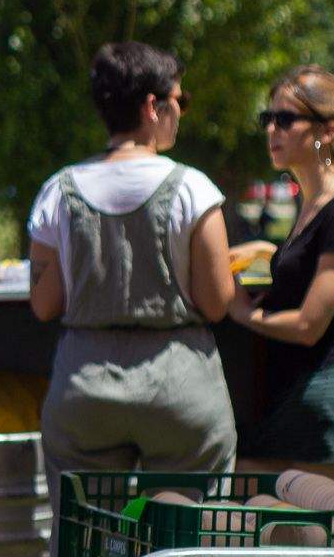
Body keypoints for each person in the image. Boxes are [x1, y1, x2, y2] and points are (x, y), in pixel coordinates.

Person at [27, 42, 239, 529]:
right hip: (179, 383)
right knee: (191, 530)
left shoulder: (58, 190)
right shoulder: (193, 188)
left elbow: (44, 304)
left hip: (86, 385)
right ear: (152, 105)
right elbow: (216, 301)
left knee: (87, 536)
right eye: (179, 102)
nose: (180, 115)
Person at [232, 66, 334, 488]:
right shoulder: (313, 203)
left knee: (324, 532)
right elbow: (311, 267)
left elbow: (308, 324)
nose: (272, 130)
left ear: (327, 132)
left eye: (286, 120)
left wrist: (240, 312)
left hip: (328, 394)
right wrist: (267, 254)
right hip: (299, 391)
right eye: (268, 119)